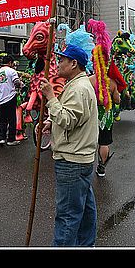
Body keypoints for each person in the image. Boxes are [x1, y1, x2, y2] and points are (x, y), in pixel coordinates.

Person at [39, 43, 99, 247]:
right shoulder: (78, 84)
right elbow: (73, 117)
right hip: (81, 158)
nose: (58, 63)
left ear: (74, 63)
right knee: (85, 211)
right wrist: (51, 122)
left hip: (71, 160)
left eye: (62, 60)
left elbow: (68, 119)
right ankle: (86, 245)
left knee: (67, 216)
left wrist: (50, 97)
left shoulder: (78, 88)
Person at [0, 55, 22, 146]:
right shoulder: (12, 71)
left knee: (2, 119)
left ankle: (1, 138)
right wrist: (21, 85)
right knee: (12, 119)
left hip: (1, 98)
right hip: (10, 97)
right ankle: (11, 139)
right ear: (10, 62)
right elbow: (16, 83)